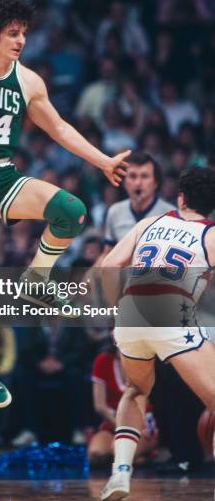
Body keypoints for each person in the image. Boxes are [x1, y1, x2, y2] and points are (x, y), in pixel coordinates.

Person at [0, 0, 130, 408]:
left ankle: (37, 280)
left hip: (0, 174)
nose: (21, 41)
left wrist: (103, 160)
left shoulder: (29, 80)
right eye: (13, 34)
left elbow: (60, 128)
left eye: (24, 34)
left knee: (72, 211)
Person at [100, 167, 215, 500]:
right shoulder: (208, 234)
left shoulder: (149, 223)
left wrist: (115, 309)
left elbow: (108, 266)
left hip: (131, 311)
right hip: (171, 311)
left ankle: (120, 473)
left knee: (136, 389)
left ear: (180, 198)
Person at [89, 340, 158, 466]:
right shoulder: (103, 360)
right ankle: (138, 459)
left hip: (141, 425)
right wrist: (120, 427)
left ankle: (147, 452)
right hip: (113, 422)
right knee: (96, 455)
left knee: (119, 453)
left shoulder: (145, 359)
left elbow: (147, 400)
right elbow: (100, 406)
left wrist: (132, 429)